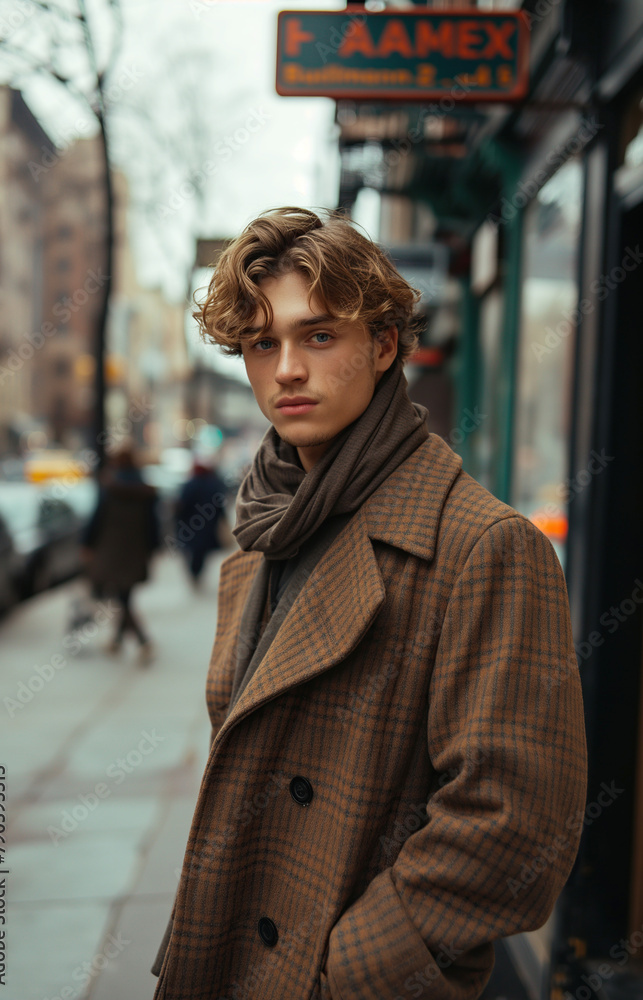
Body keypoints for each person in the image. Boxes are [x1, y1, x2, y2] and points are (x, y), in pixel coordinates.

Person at [150, 207, 588, 1000]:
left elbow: (514, 826)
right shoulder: (258, 539)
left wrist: (344, 974)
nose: (286, 368)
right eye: (261, 342)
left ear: (383, 347)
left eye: (318, 336)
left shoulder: (481, 545)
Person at [81, 443, 160, 667]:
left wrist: (87, 544)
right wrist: (153, 548)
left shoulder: (109, 487)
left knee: (122, 596)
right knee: (124, 593)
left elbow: (96, 519)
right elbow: (154, 525)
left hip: (112, 549)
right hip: (136, 550)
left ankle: (144, 641)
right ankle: (116, 641)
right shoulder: (145, 490)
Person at [174, 453, 228, 587]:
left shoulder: (190, 484)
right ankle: (196, 573)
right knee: (201, 552)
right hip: (207, 525)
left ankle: (194, 573)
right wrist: (223, 519)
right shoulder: (214, 484)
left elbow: (182, 505)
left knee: (192, 550)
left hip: (190, 525)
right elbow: (219, 505)